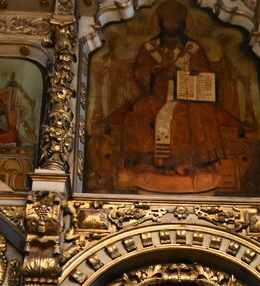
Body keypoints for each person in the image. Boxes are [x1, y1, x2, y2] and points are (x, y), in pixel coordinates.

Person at [100, 0, 243, 193]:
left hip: (187, 95)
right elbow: (139, 72)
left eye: (176, 27)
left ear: (183, 26)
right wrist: (156, 71)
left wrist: (185, 74)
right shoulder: (150, 47)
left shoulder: (193, 49)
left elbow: (204, 74)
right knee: (138, 113)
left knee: (196, 115)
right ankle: (147, 160)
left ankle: (190, 162)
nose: (172, 32)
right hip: (156, 94)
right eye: (168, 28)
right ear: (160, 25)